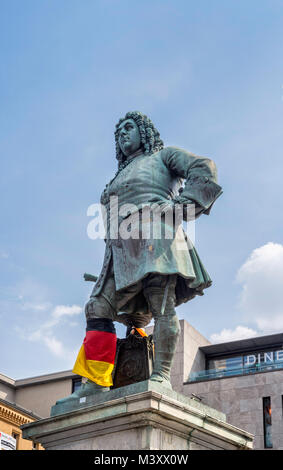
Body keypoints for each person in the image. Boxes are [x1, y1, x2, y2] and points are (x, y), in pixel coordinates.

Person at [56, 111, 222, 404]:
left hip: (156, 236)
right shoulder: (120, 173)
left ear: (144, 131)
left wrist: (186, 204)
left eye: (129, 127)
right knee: (97, 307)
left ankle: (161, 376)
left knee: (162, 303)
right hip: (119, 250)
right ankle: (96, 382)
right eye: (118, 131)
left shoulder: (163, 156)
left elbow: (203, 166)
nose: (122, 134)